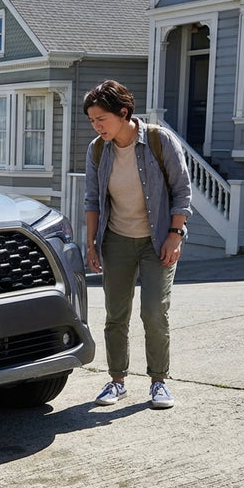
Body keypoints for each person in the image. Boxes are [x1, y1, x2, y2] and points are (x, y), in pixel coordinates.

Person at [83, 80, 192, 409]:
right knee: (116, 314)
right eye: (92, 120)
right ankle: (117, 381)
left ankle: (159, 381)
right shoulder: (98, 150)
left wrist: (176, 234)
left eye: (101, 119)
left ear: (123, 113)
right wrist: (90, 244)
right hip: (116, 240)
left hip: (157, 240)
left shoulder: (160, 141)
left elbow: (183, 191)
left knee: (153, 312)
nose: (97, 126)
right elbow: (92, 201)